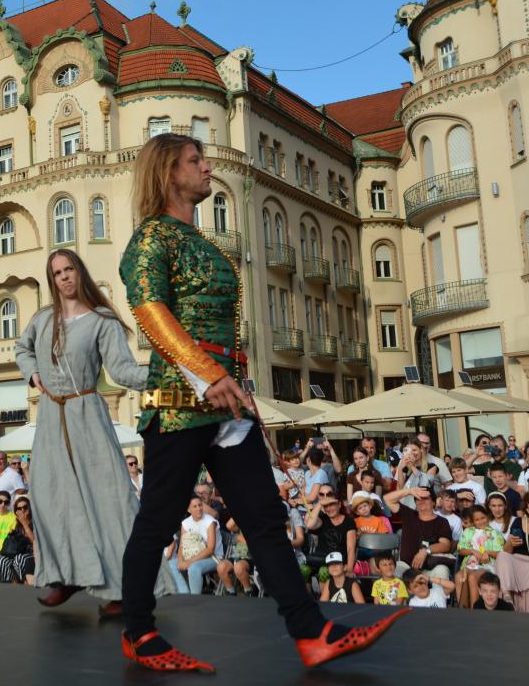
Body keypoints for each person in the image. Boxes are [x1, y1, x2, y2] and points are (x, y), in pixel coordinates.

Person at [118, 134, 406, 672]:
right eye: (195, 161)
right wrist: (207, 375)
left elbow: (228, 332)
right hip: (179, 402)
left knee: (266, 520)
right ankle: (138, 631)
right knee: (157, 524)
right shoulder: (152, 238)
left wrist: (242, 389)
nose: (207, 168)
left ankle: (310, 631)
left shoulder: (201, 242)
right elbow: (150, 312)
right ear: (167, 173)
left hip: (228, 403)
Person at [15, 248, 165, 615]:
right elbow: (22, 348)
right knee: (51, 499)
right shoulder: (42, 319)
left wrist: (170, 374)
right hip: (51, 416)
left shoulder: (102, 321)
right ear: (51, 280)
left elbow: (124, 372)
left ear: (79, 273)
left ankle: (123, 591)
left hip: (87, 413)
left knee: (108, 500)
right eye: (57, 273)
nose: (64, 277)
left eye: (69, 270)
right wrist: (32, 373)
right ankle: (66, 576)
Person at [383, 485, 454, 580]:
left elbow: (445, 545)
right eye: (418, 498)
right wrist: (409, 491)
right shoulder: (409, 514)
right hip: (406, 566)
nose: (421, 500)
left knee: (442, 571)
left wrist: (426, 551)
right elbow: (387, 499)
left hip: (430, 567)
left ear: (433, 502)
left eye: (425, 498)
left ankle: (438, 595)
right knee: (391, 570)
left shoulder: (442, 522)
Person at [455, 505, 504, 610]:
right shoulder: (468, 532)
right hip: (470, 564)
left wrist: (488, 553)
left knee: (473, 577)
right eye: (477, 520)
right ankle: (462, 609)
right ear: (473, 521)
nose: (481, 521)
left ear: (487, 516)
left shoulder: (494, 533)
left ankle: (475, 609)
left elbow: (501, 553)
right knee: (459, 576)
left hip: (487, 565)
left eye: (483, 518)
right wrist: (472, 551)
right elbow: (460, 549)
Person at [168, 495, 220, 594]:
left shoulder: (210, 521)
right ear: (189, 510)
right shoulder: (185, 523)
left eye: (200, 505)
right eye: (195, 506)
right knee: (171, 565)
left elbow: (210, 549)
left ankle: (194, 598)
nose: (199, 508)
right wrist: (180, 561)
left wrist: (188, 562)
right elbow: (182, 547)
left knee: (194, 567)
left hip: (213, 558)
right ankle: (185, 595)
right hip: (191, 556)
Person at [0, 495, 36, 585]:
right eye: (19, 508)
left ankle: (25, 582)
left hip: (32, 553)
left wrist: (25, 524)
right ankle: (13, 584)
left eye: (25, 507)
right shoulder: (17, 524)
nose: (22, 510)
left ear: (29, 507)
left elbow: (34, 541)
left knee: (19, 558)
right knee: (1, 560)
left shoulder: (35, 522)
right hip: (18, 552)